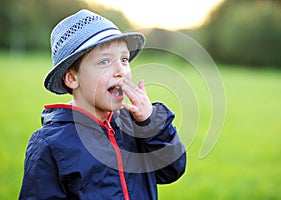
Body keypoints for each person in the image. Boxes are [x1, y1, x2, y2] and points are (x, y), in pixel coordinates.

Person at [19, 9, 186, 200]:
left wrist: (151, 124)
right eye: (104, 61)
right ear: (72, 78)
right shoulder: (50, 145)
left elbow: (172, 170)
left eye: (124, 59)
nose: (120, 71)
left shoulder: (135, 127)